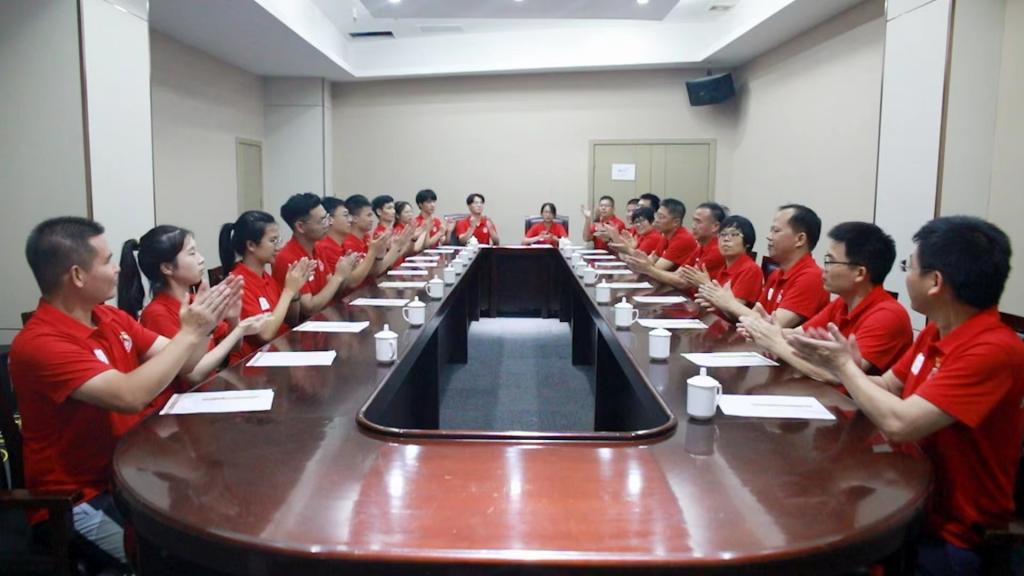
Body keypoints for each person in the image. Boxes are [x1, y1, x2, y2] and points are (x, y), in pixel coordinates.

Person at [785, 216, 1024, 574]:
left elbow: (901, 424)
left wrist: (845, 368)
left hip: (949, 534)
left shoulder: (993, 349)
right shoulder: (935, 333)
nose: (906, 276)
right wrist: (846, 367)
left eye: (909, 267)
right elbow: (886, 386)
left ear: (935, 282)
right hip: (902, 494)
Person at [9, 216, 237, 568]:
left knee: (218, 511)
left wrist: (203, 327)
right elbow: (129, 396)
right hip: (79, 498)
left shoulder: (110, 317)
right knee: (176, 558)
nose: (117, 268)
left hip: (135, 468)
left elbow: (185, 364)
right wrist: (191, 333)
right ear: (77, 275)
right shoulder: (40, 343)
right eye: (107, 261)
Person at [738, 221, 913, 382]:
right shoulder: (842, 303)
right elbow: (798, 335)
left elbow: (836, 374)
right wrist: (766, 331)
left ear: (859, 273)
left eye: (830, 261)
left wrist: (775, 342)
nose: (824, 269)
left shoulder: (888, 316)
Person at [118, 226, 268, 412]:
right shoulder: (157, 313)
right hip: (179, 409)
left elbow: (233, 348)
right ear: (167, 267)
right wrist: (239, 330)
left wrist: (233, 318)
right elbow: (194, 374)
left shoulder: (194, 301)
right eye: (192, 253)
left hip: (206, 395)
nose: (201, 258)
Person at [697, 204, 829, 328]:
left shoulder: (812, 277)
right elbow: (754, 316)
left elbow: (774, 325)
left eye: (776, 231)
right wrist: (722, 304)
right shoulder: (777, 274)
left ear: (800, 239)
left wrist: (728, 304)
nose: (769, 237)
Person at [219, 210, 312, 364]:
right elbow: (265, 334)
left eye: (278, 240)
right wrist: (288, 291)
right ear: (251, 245)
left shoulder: (264, 276)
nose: (278, 247)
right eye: (273, 241)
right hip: (252, 364)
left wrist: (295, 292)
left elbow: (290, 320)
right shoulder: (238, 282)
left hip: (278, 352)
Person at [272, 193, 356, 317]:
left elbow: (333, 290)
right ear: (300, 227)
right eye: (322, 220)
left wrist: (344, 272)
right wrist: (338, 276)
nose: (328, 224)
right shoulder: (288, 258)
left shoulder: (318, 248)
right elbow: (309, 307)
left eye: (327, 217)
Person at [622, 201, 723, 289]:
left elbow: (681, 282)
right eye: (693, 220)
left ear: (715, 226)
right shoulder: (667, 237)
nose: (693, 226)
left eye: (698, 222)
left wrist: (647, 267)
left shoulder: (714, 249)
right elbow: (676, 273)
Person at [315, 196, 380, 292]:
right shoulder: (325, 247)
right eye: (345, 215)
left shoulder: (343, 244)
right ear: (330, 219)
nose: (350, 220)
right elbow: (350, 283)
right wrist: (373, 252)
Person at [342, 194, 408, 273]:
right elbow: (374, 272)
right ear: (354, 218)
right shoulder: (349, 243)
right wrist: (396, 247)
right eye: (368, 215)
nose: (372, 219)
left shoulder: (367, 237)